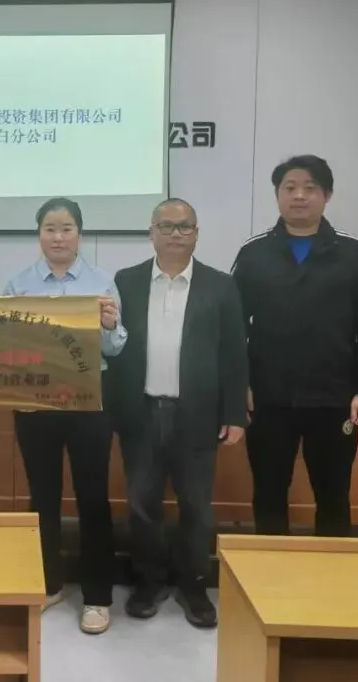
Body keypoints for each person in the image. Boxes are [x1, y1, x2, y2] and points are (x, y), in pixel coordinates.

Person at [231, 154, 358, 537]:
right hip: (268, 398)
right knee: (268, 493)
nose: (299, 196)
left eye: (310, 188)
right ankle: (269, 570)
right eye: (289, 188)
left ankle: (333, 571)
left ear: (327, 195)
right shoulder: (254, 253)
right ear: (277, 195)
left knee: (334, 495)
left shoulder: (353, 253)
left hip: (334, 397)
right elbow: (231, 326)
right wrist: (240, 384)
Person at [107, 199, 248, 628]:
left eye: (184, 226)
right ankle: (148, 582)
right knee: (142, 503)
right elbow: (113, 347)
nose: (175, 234)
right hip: (141, 411)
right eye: (166, 226)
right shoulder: (126, 281)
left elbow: (234, 354)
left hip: (197, 414)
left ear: (196, 234)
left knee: (197, 506)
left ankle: (194, 585)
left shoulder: (220, 286)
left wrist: (235, 414)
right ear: (151, 232)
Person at [2, 197, 126, 636]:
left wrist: (109, 325)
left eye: (66, 228)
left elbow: (116, 348)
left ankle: (97, 597)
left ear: (79, 234)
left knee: (93, 497)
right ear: (39, 234)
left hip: (88, 404)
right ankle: (48, 583)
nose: (58, 237)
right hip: (35, 405)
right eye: (50, 229)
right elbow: (5, 348)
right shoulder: (18, 285)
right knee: (43, 496)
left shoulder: (101, 282)